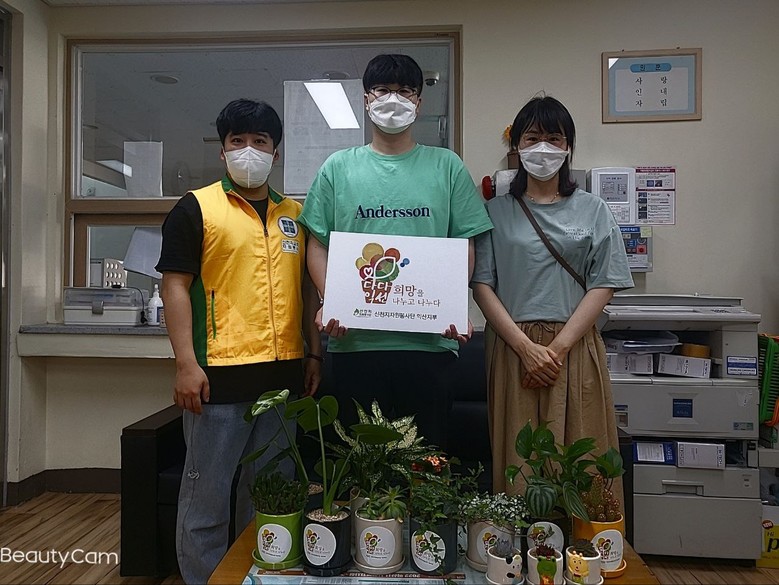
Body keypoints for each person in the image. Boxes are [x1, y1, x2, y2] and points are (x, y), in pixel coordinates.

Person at [155, 98, 322, 584]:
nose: (249, 150)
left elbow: (306, 290)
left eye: (260, 141)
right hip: (217, 380)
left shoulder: (295, 215)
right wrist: (185, 363)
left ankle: (261, 576)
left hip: (284, 380)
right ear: (223, 150)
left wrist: (313, 352)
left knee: (269, 497)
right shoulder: (197, 208)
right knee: (206, 500)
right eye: (238, 141)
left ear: (276, 152)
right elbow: (174, 287)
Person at [298, 54, 493, 451]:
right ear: (366, 99)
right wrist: (332, 299)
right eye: (383, 90)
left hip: (429, 343)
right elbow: (317, 244)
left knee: (425, 461)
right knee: (361, 461)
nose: (393, 99)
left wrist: (452, 304)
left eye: (405, 91)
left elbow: (464, 244)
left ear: (419, 103)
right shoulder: (338, 168)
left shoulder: (447, 167)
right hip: (356, 342)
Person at [470, 95, 634, 498]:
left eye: (554, 138)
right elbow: (482, 285)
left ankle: (585, 539)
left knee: (583, 456)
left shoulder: (594, 209)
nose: (543, 147)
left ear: (568, 146)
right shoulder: (495, 212)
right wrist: (526, 348)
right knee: (519, 462)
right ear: (517, 146)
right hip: (513, 347)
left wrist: (555, 350)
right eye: (532, 138)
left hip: (574, 346)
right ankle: (518, 538)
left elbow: (604, 282)